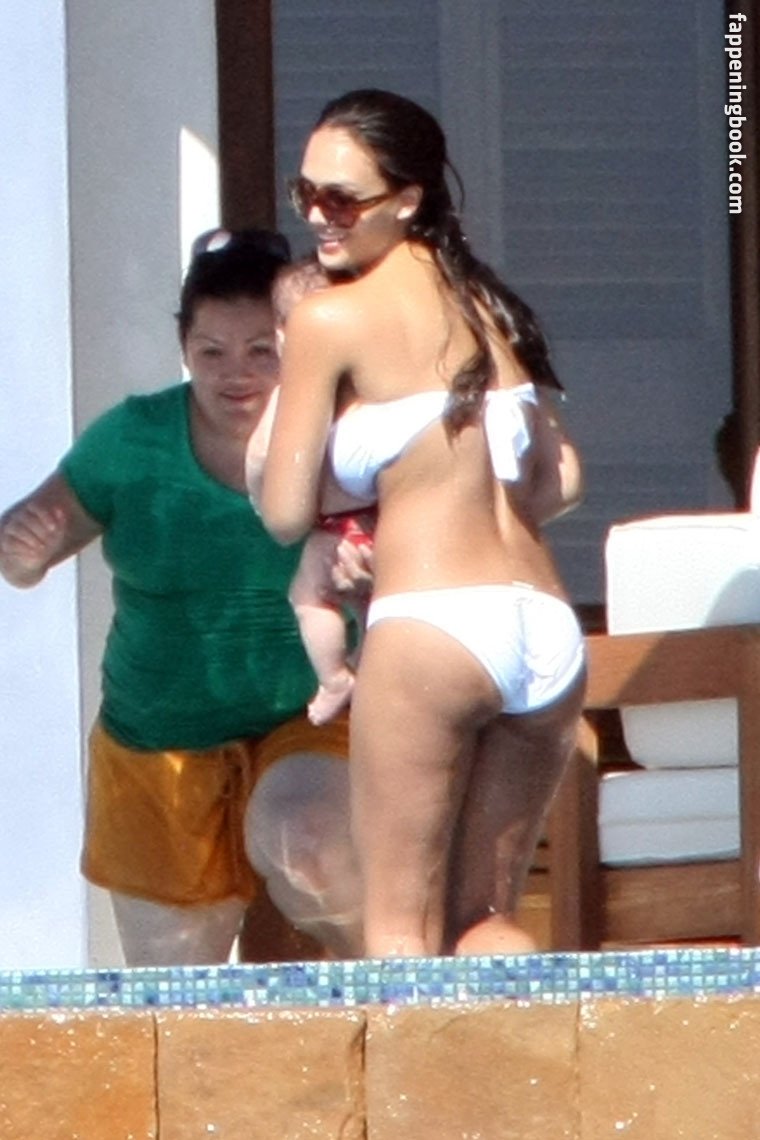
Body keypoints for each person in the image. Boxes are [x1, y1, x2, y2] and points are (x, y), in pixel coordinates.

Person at [259, 88, 586, 959]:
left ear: (407, 199)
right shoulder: (492, 311)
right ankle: (525, 1053)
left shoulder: (329, 318)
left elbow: (283, 510)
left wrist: (356, 503)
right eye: (305, 194)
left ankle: (418, 1063)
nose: (318, 218)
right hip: (546, 628)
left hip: (434, 623)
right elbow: (560, 482)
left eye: (342, 200)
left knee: (399, 930)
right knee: (486, 922)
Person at [0, 227, 335, 966]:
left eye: (261, 351)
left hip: (310, 717)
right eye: (212, 352)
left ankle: (392, 1023)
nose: (235, 374)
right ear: (184, 348)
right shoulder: (132, 440)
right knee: (170, 991)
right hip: (159, 737)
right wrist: (20, 553)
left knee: (316, 847)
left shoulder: (340, 434)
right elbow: (25, 551)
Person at [247, 255, 376, 726]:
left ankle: (335, 677)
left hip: (332, 530)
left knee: (309, 599)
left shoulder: (292, 397)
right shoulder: (374, 389)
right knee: (376, 609)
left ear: (282, 338)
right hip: (383, 519)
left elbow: (262, 458)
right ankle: (366, 665)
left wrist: (259, 495)